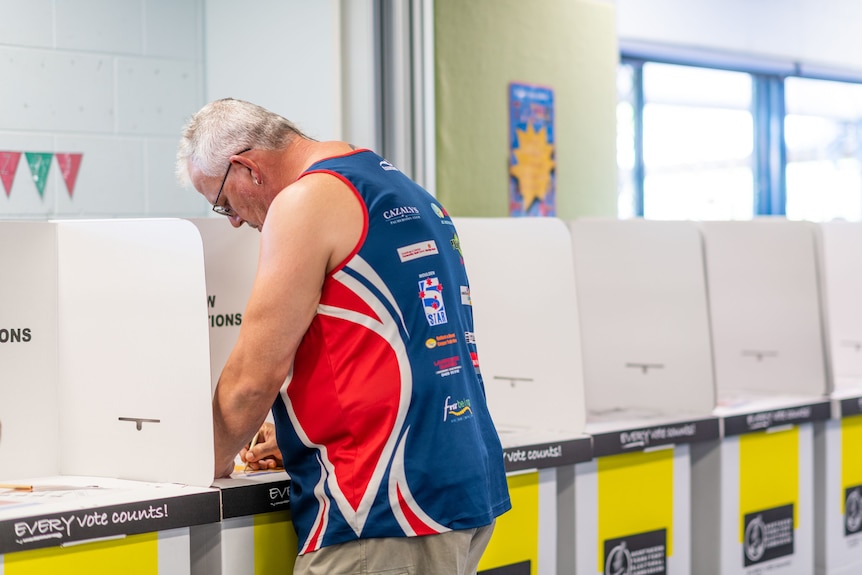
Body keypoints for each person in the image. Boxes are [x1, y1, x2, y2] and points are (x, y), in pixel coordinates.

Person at [176, 98, 511, 574]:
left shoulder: (306, 200)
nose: (232, 220)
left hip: (382, 504)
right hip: (457, 484)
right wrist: (297, 434)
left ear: (245, 167)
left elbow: (253, 375)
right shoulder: (398, 186)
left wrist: (197, 463)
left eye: (223, 202)